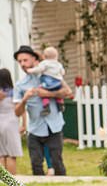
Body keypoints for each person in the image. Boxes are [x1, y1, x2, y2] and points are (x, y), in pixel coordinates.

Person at [13, 44, 73, 176]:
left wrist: (48, 94)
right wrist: (24, 99)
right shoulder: (20, 85)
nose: (23, 64)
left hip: (54, 127)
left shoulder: (50, 75)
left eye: (25, 60)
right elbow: (16, 112)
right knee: (36, 164)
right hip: (35, 129)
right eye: (20, 61)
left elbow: (68, 91)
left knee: (57, 162)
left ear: (34, 59)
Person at [30, 45, 65, 115]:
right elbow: (63, 72)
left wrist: (47, 94)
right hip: (57, 83)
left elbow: (67, 92)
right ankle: (60, 103)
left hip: (55, 122)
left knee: (44, 90)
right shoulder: (58, 65)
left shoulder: (44, 65)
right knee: (57, 88)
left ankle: (46, 106)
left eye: (37, 60)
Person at [0, 68, 23, 175]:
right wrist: (24, 124)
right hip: (11, 123)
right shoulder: (14, 92)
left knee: (1, 154)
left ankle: (2, 181)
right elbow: (20, 108)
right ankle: (12, 180)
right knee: (11, 154)